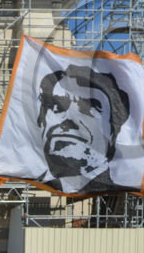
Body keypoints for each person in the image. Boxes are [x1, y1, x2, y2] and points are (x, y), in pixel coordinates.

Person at [36, 65, 132, 196]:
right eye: (57, 106)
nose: (69, 119)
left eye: (88, 109)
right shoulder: (30, 176)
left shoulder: (113, 187)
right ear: (42, 120)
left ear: (113, 130)